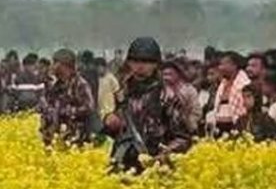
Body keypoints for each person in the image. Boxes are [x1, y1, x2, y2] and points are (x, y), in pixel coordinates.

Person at [104, 37, 194, 174]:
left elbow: (183, 137)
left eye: (146, 62)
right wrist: (110, 122)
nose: (140, 66)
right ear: (129, 63)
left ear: (156, 64)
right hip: (123, 163)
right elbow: (120, 131)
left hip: (155, 167)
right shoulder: (123, 92)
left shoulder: (166, 95)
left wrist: (166, 154)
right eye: (135, 61)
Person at [39, 49, 94, 147]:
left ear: (65, 65)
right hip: (53, 137)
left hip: (74, 138)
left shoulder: (80, 84)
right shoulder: (53, 84)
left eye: (56, 62)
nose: (53, 66)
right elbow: (45, 105)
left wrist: (68, 111)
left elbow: (89, 107)